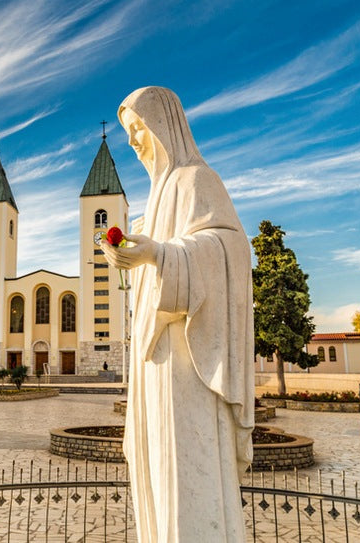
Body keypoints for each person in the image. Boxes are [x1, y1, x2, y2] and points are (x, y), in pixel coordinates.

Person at [101, 87, 254, 542]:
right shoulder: (156, 197)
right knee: (158, 467)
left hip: (187, 359)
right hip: (154, 360)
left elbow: (230, 250)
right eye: (128, 132)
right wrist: (136, 254)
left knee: (185, 467)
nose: (132, 142)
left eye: (137, 129)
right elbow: (159, 257)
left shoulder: (196, 181)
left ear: (164, 126)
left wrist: (160, 254)